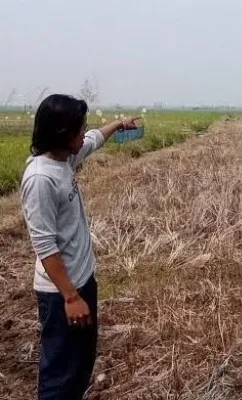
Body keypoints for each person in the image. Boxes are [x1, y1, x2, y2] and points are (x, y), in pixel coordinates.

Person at [19, 94, 140, 399]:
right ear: (61, 134)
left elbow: (94, 139)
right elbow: (44, 244)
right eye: (78, 128)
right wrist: (71, 297)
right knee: (60, 373)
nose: (83, 133)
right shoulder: (40, 178)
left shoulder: (65, 158)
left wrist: (120, 124)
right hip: (61, 294)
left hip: (82, 282)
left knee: (80, 364)